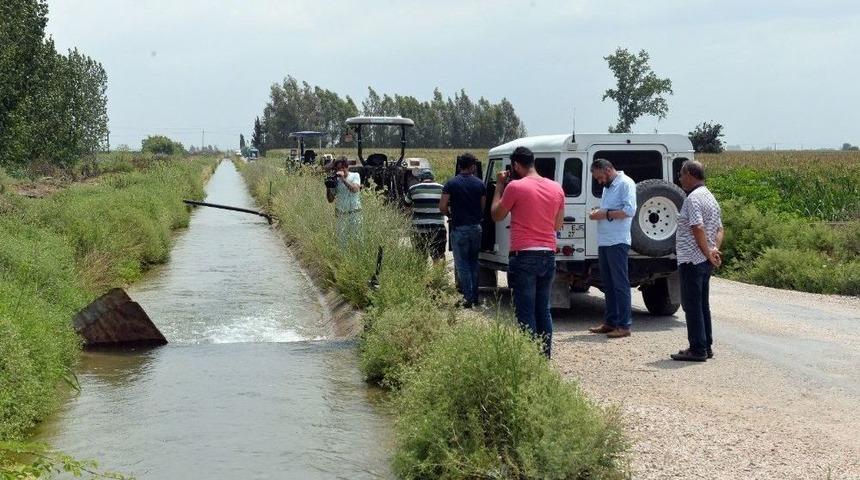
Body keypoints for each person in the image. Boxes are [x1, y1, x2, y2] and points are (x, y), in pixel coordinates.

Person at [491, 146, 564, 357]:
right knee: (543, 310)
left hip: (524, 255)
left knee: (525, 311)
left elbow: (496, 214)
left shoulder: (514, 187)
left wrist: (499, 187)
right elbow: (557, 225)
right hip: (548, 254)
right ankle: (544, 357)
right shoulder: (556, 188)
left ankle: (529, 360)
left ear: (515, 165)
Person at [671, 160, 724, 362]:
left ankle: (697, 349)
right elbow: (720, 229)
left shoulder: (693, 199)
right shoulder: (710, 197)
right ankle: (706, 345)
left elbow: (698, 227)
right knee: (702, 304)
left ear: (690, 175)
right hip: (704, 259)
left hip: (692, 260)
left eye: (681, 174)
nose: (680, 179)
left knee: (692, 305)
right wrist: (714, 250)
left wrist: (706, 251)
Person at [587, 158, 637, 338]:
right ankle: (610, 322)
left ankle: (624, 325)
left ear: (608, 170)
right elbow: (609, 209)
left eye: (600, 178)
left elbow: (629, 211)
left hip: (618, 241)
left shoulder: (625, 184)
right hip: (605, 241)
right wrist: (598, 212)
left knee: (620, 284)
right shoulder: (608, 186)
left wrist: (605, 214)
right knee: (608, 283)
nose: (599, 182)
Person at [439, 153, 486, 307]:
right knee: (474, 262)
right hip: (476, 228)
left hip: (459, 227)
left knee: (462, 264)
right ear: (473, 166)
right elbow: (483, 206)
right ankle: (475, 297)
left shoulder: (451, 183)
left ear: (459, 166)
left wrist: (449, 214)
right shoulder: (480, 184)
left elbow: (442, 206)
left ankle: (467, 298)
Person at [404, 168, 446, 262]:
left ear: (420, 179)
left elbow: (406, 208)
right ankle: (438, 275)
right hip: (437, 228)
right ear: (433, 178)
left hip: (418, 229)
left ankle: (422, 275)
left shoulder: (413, 189)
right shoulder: (442, 188)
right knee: (438, 257)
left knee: (420, 257)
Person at [326, 158, 362, 247]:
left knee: (357, 238)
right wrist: (328, 187)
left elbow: (355, 189)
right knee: (342, 241)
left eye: (342, 168)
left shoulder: (355, 175)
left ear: (346, 167)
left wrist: (343, 180)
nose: (339, 170)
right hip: (341, 214)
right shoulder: (335, 180)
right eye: (337, 169)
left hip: (354, 212)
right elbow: (330, 200)